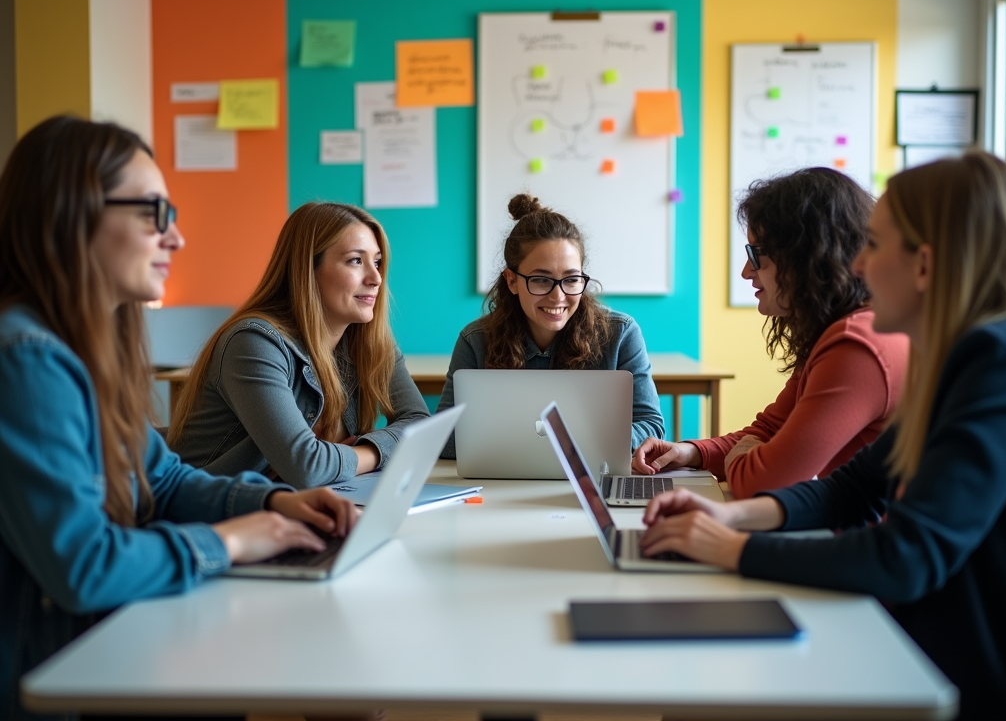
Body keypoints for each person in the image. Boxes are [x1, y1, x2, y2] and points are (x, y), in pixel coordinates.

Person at [640, 152, 1006, 721]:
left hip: (960, 677)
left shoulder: (999, 364)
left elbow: (907, 555)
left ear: (924, 266)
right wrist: (730, 518)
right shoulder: (951, 358)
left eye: (873, 245)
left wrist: (731, 549)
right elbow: (852, 487)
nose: (858, 265)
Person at [0, 116, 358, 721]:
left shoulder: (82, 352)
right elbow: (83, 567)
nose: (177, 239)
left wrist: (269, 505)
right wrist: (230, 541)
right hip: (51, 681)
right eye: (153, 213)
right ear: (72, 215)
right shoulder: (25, 360)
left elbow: (162, 479)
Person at [632, 168, 908, 499]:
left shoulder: (855, 345)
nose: (746, 272)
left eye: (756, 255)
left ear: (806, 255)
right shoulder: (843, 331)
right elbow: (769, 431)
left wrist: (744, 457)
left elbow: (765, 482)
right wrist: (691, 453)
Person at [167, 201, 429, 488]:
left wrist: (351, 456)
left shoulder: (369, 342)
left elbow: (420, 424)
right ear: (307, 270)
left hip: (294, 505)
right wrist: (372, 453)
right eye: (356, 260)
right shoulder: (254, 343)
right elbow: (307, 468)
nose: (376, 278)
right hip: (210, 515)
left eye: (377, 261)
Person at [436, 193, 664, 458]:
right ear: (511, 281)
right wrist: (558, 442)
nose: (558, 296)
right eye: (541, 280)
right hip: (502, 485)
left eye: (571, 279)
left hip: (593, 480)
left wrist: (560, 441)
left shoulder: (621, 334)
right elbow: (445, 437)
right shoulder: (476, 340)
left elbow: (651, 428)